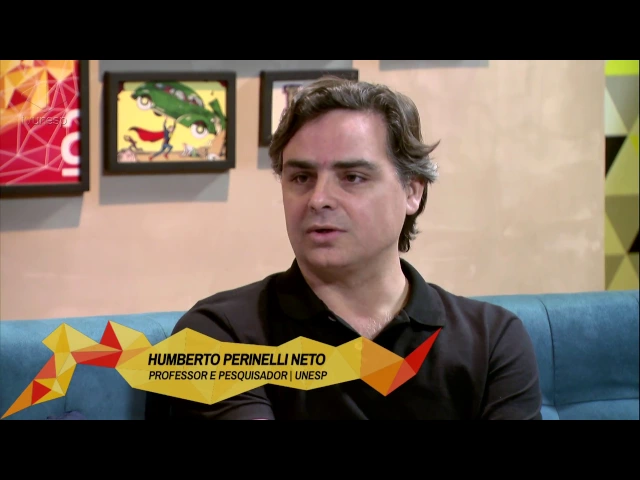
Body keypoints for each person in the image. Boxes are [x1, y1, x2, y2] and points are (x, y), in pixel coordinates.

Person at [166, 76, 543, 420]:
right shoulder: (216, 336)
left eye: (352, 177)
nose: (318, 199)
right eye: (301, 177)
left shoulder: (492, 340)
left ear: (412, 192)